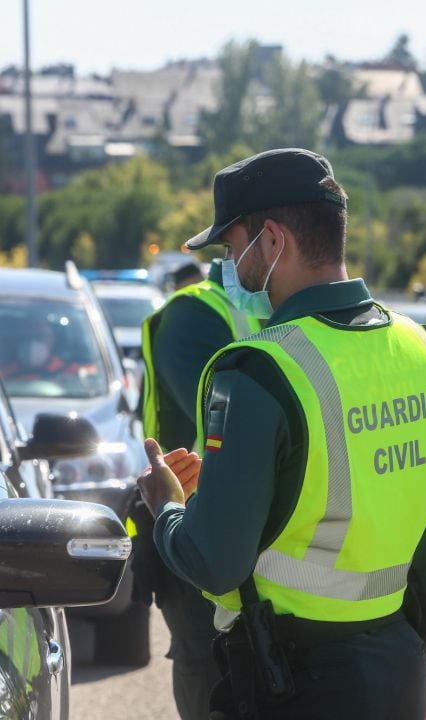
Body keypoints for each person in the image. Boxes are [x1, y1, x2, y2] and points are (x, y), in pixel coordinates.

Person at [137, 148, 426, 719]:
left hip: (288, 679)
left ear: (272, 240)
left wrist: (167, 508)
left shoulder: (259, 372)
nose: (229, 266)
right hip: (396, 672)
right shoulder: (422, 353)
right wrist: (419, 655)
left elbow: (216, 562)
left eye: (232, 246)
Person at [135, 253, 262, 718]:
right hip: (196, 528)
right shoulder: (194, 314)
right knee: (212, 676)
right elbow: (239, 430)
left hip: (256, 533)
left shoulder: (282, 310)